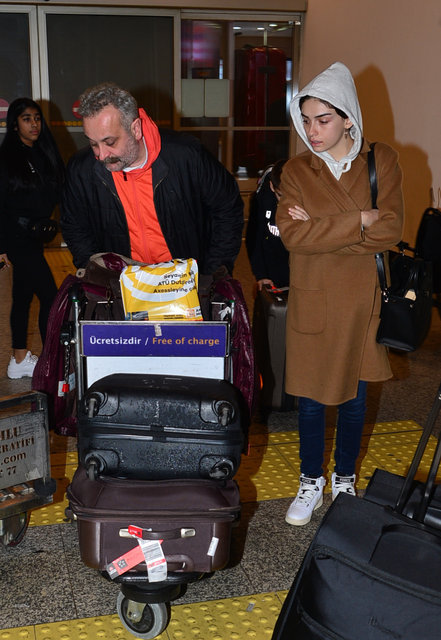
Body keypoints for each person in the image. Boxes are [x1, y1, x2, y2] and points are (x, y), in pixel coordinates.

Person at [276, 62, 403, 526]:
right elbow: (292, 237)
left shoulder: (380, 161)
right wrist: (359, 221)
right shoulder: (296, 169)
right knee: (310, 401)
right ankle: (310, 480)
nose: (312, 131)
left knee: (355, 398)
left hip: (362, 301)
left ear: (348, 118)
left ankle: (344, 479)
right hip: (313, 298)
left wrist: (322, 228)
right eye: (306, 120)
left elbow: (390, 230)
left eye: (323, 120)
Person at [60, 82, 244, 316]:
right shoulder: (81, 169)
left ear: (136, 129)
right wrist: (99, 273)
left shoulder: (187, 156)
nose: (101, 155)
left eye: (110, 142)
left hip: (188, 287)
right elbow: (74, 226)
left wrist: (212, 273)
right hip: (121, 289)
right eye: (93, 143)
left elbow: (227, 208)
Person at [0, 98, 64, 379]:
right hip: (16, 237)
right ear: (15, 124)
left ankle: (18, 360)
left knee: (23, 297)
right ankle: (49, 360)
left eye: (37, 118)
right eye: (27, 119)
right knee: (50, 297)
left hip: (34, 236)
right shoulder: (6, 158)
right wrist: (1, 246)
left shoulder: (43, 153)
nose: (34, 124)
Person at [246, 159, 289, 290]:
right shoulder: (262, 199)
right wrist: (261, 274)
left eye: (290, 196)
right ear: (271, 186)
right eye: (280, 196)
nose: (285, 202)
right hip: (271, 264)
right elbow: (254, 239)